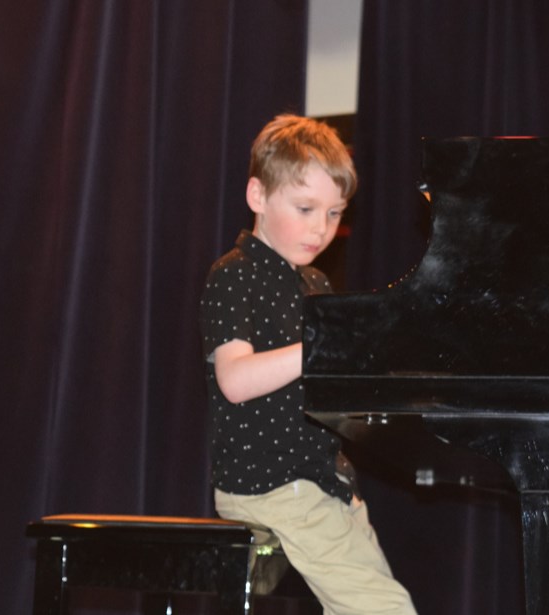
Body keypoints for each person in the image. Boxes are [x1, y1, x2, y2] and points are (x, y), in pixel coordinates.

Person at [199, 114, 417, 615]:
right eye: (305, 208)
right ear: (258, 196)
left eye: (336, 213)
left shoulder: (315, 283)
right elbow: (234, 379)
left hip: (320, 483)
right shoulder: (233, 276)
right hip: (269, 485)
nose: (322, 228)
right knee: (388, 610)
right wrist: (321, 347)